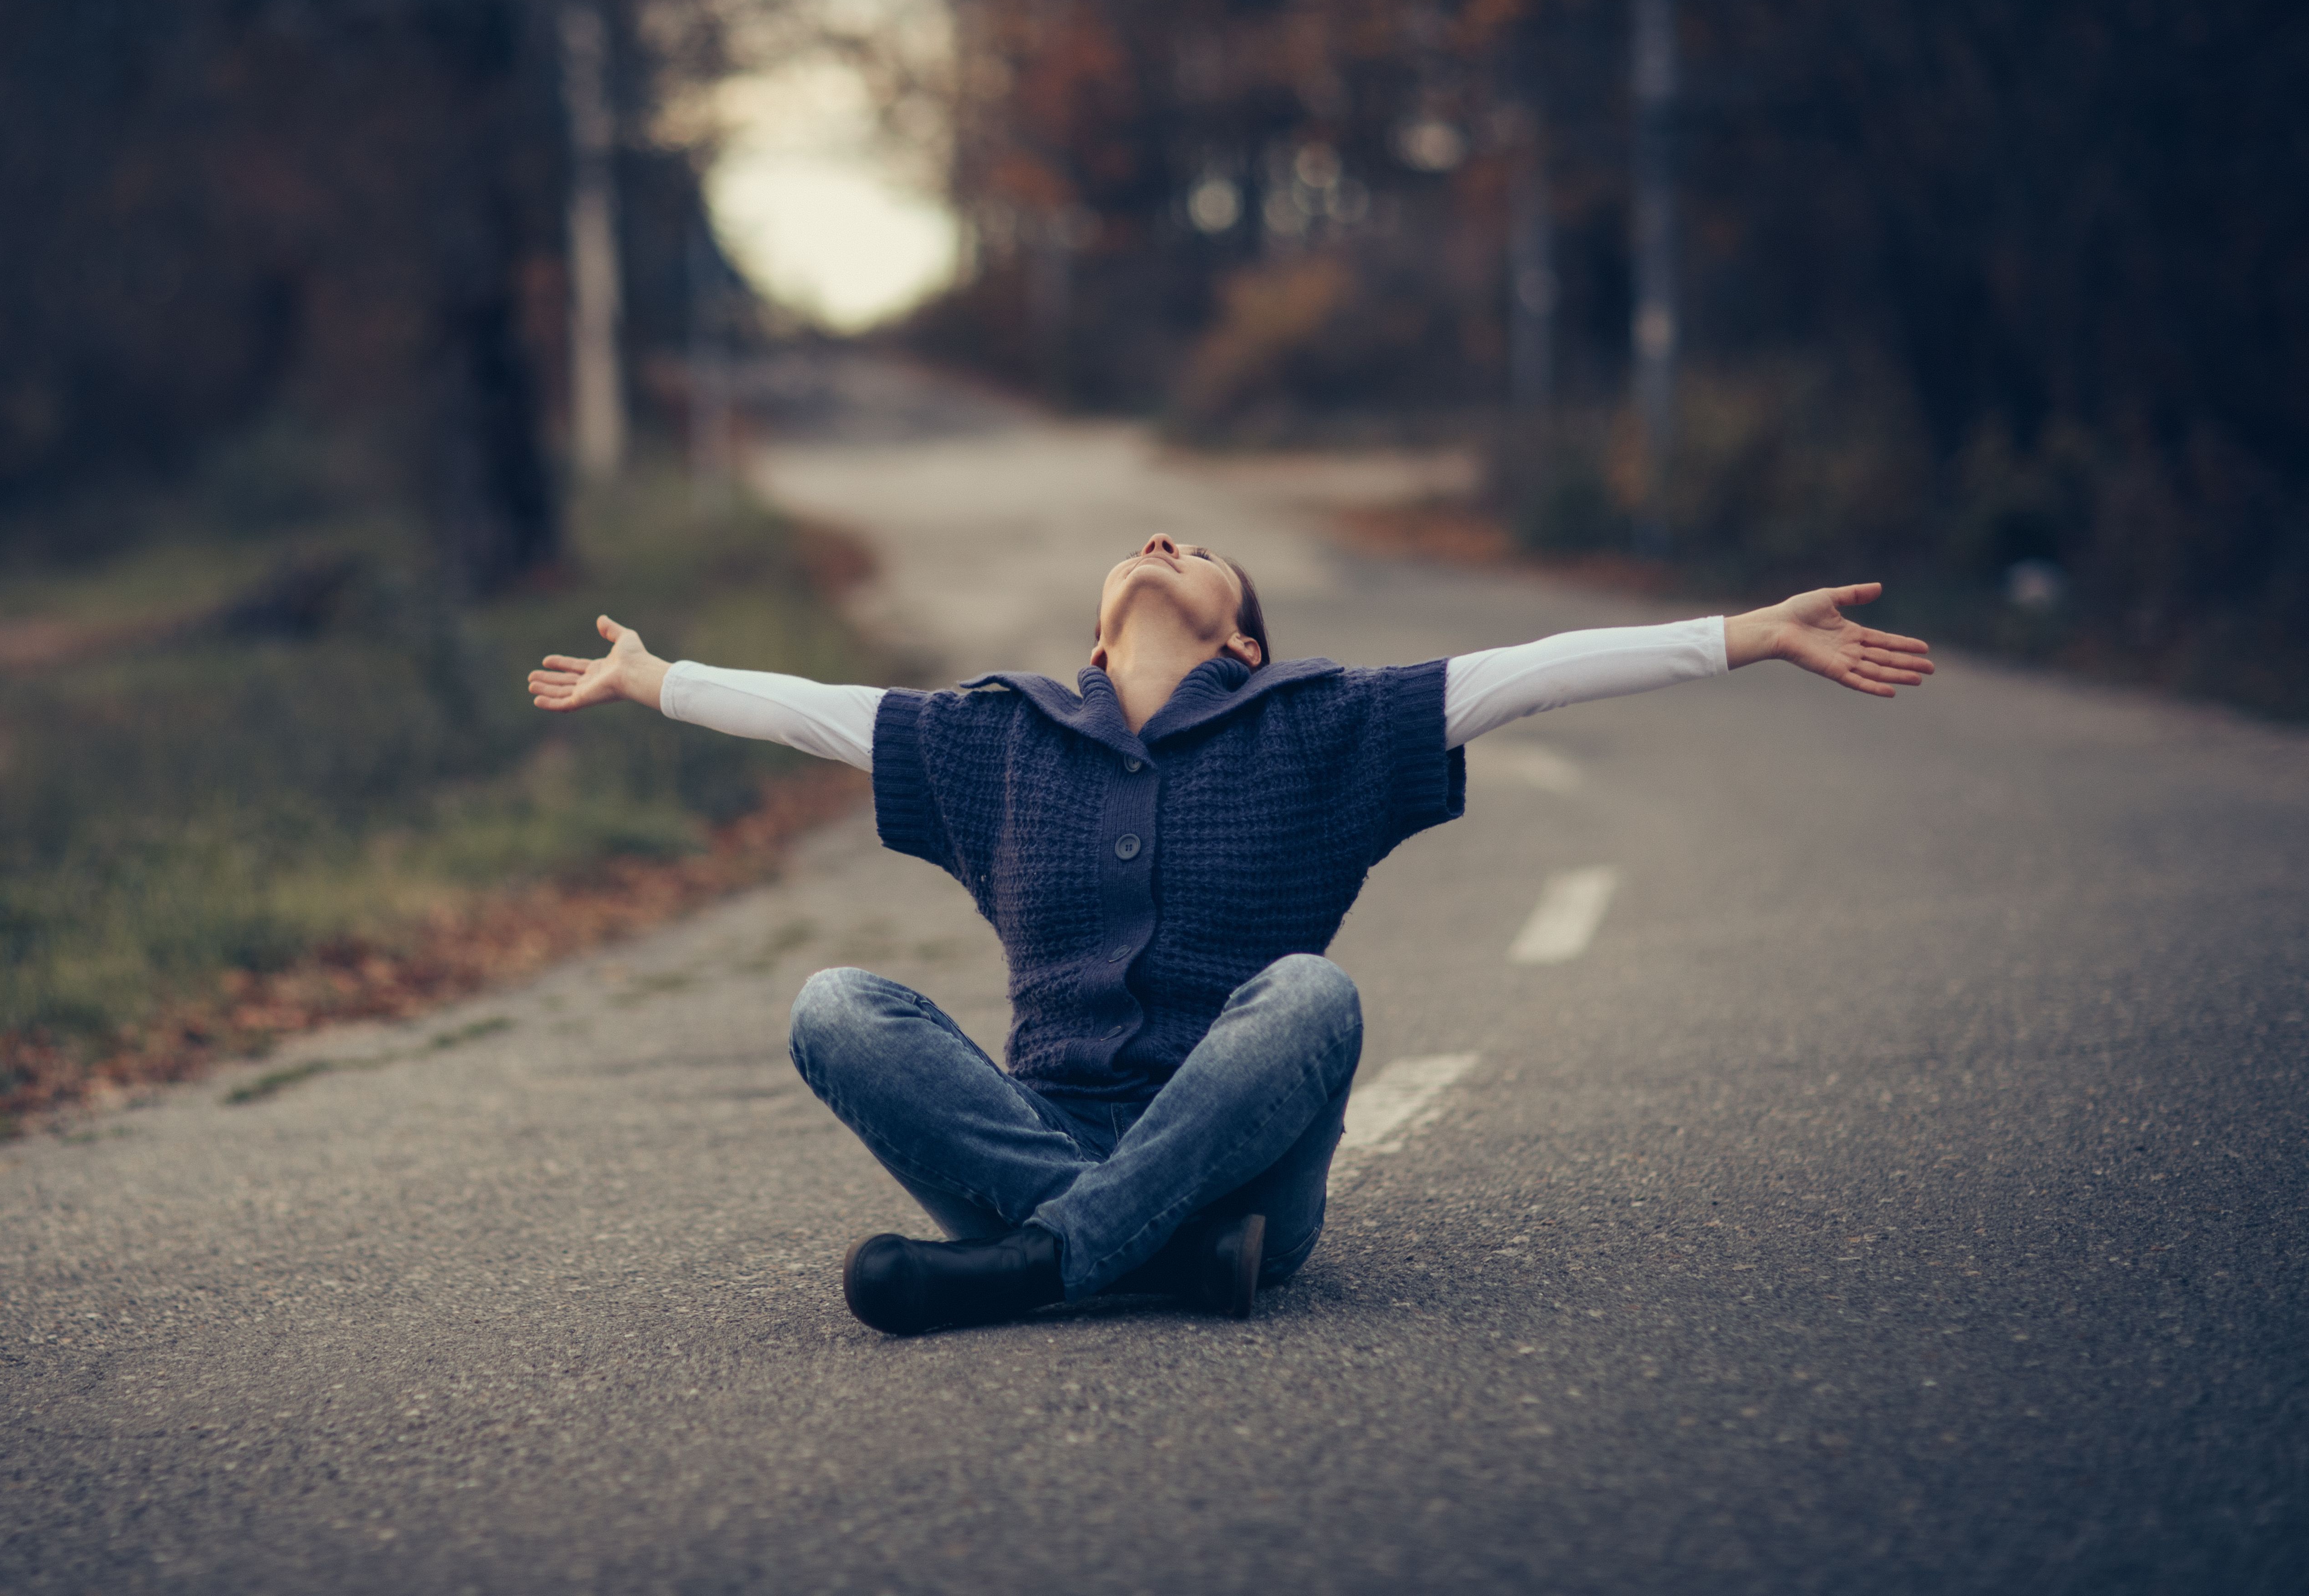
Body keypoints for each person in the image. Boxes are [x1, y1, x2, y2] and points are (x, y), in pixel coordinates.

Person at [527, 535, 1935, 1336]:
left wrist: (1746, 634)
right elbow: (814, 708)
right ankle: (1133, 1253)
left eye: (1201, 554)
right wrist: (658, 680)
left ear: (1244, 643)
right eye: (1148, 543)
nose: (1164, 545)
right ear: (1093, 637)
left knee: (1312, 996)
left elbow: (1540, 674)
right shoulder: (997, 739)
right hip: (1067, 1143)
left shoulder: (1325, 724)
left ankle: (1037, 1266)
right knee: (836, 1004)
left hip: (1248, 1169)